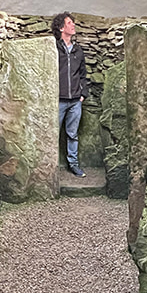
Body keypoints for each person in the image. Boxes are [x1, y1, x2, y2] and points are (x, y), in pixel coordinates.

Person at [52, 12, 88, 177]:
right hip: (58, 100)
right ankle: (51, 169)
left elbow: (82, 74)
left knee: (72, 134)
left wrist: (82, 95)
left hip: (75, 100)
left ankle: (73, 165)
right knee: (53, 133)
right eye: (69, 23)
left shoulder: (78, 51)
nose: (73, 25)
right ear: (61, 27)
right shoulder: (53, 48)